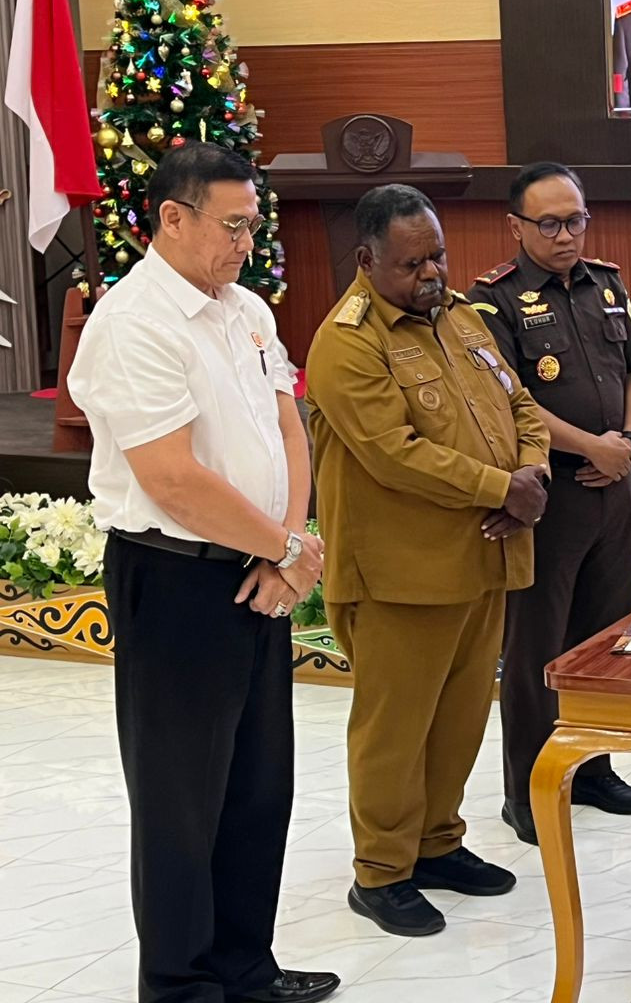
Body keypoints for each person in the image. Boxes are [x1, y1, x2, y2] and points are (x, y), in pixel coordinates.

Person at [68, 142, 339, 1003]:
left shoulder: (246, 309)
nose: (247, 243)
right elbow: (172, 479)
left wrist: (288, 543)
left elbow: (290, 426)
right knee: (180, 798)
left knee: (258, 786)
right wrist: (283, 549)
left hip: (260, 568)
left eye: (254, 225)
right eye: (233, 225)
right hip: (175, 578)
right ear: (173, 218)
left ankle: (244, 967)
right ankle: (181, 985)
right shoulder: (133, 322)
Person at [304, 185, 551, 938]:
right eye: (412, 264)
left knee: (460, 717)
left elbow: (521, 407)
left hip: (483, 558)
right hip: (400, 575)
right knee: (395, 729)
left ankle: (438, 843)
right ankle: (381, 871)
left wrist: (532, 475)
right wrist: (500, 488)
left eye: (438, 256)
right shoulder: (347, 342)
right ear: (366, 259)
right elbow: (393, 453)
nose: (432, 273)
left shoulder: (463, 318)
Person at [466, 162, 631, 841]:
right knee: (536, 649)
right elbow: (509, 403)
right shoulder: (492, 302)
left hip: (615, 491)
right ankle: (527, 789)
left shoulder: (607, 284)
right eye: (549, 224)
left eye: (575, 220)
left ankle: (594, 769)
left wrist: (627, 441)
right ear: (515, 226)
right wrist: (590, 448)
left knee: (605, 638)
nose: (566, 235)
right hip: (550, 497)